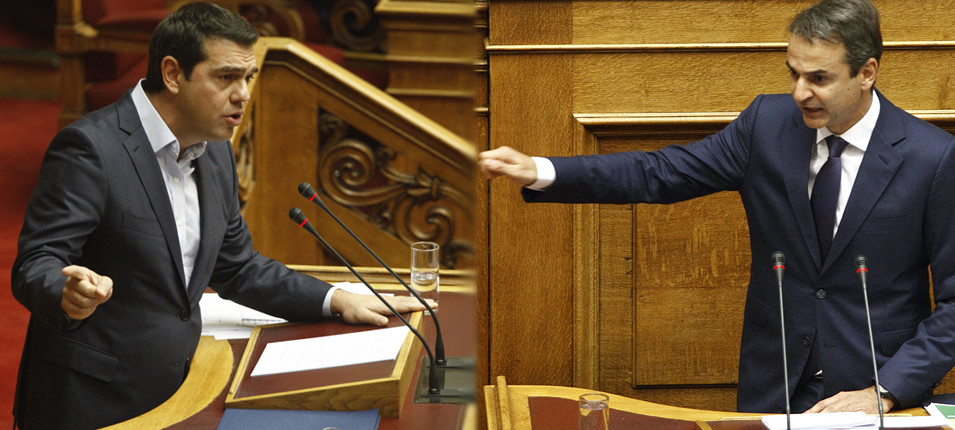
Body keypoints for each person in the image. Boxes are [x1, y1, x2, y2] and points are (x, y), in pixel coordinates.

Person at [480, 0, 955, 415]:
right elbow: (659, 172)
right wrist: (541, 169)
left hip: (877, 394)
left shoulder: (931, 158)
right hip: (775, 385)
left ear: (867, 72)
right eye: (793, 73)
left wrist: (884, 390)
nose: (799, 93)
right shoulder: (766, 126)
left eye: (819, 79)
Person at [10, 3, 433, 429]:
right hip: (90, 402)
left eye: (247, 77)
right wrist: (68, 295)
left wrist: (337, 300)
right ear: (173, 74)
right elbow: (36, 262)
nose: (243, 93)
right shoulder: (91, 149)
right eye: (226, 77)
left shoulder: (214, 151)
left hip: (181, 393)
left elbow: (237, 267)